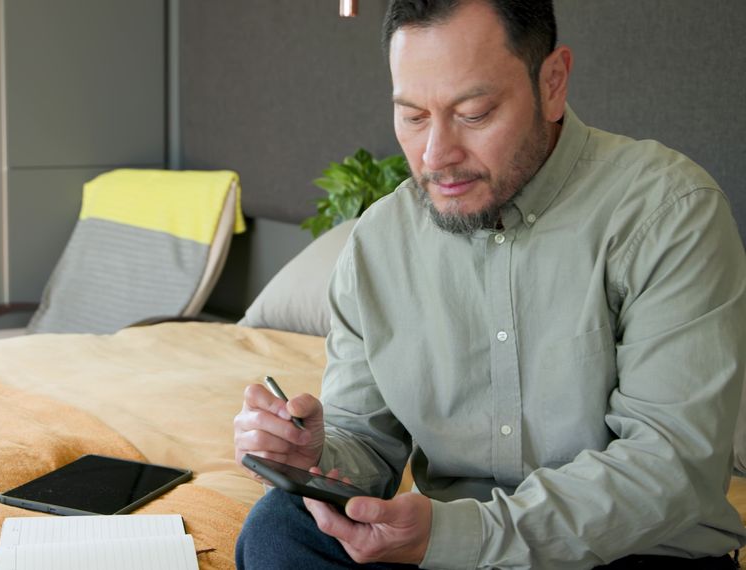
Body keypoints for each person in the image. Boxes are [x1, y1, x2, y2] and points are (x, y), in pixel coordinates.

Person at [232, 0, 746, 568]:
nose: (436, 156)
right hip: (441, 549)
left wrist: (461, 535)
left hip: (632, 553)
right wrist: (315, 456)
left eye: (473, 114)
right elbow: (367, 445)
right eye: (413, 117)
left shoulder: (669, 212)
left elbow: (670, 466)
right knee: (280, 528)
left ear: (552, 83)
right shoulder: (379, 242)